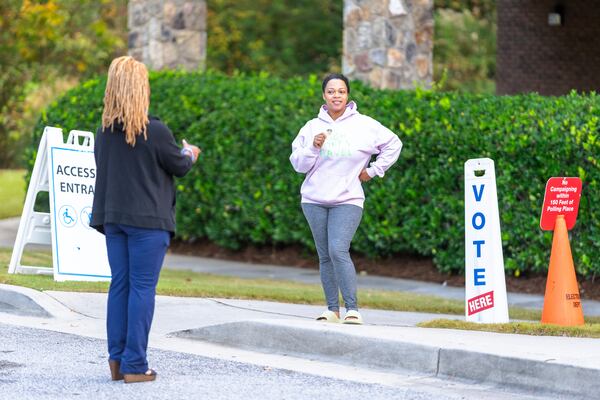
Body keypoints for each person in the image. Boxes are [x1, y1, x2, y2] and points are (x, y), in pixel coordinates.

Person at [91, 56, 200, 383]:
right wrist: (190, 154)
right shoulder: (155, 131)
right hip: (148, 223)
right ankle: (135, 364)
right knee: (141, 288)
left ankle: (116, 361)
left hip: (114, 220)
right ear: (141, 88)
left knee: (120, 286)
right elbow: (178, 166)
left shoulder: (104, 132)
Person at [289, 73, 402, 325]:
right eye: (331, 91)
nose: (336, 95)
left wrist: (373, 170)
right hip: (314, 199)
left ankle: (352, 309)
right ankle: (332, 310)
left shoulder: (365, 125)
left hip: (348, 199)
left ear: (347, 95)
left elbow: (394, 144)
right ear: (323, 96)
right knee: (324, 255)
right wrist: (313, 147)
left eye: (340, 91)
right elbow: (298, 164)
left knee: (338, 248)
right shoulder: (311, 127)